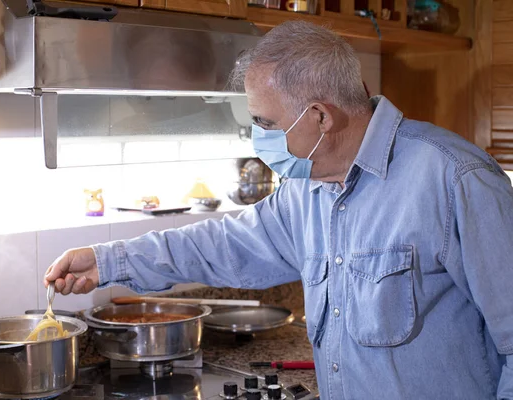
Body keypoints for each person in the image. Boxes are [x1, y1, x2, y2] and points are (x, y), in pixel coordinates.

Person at [44, 21, 513, 400]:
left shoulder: (456, 180)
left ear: (321, 117)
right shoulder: (305, 189)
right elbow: (224, 246)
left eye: (265, 123)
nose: (259, 137)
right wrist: (109, 261)